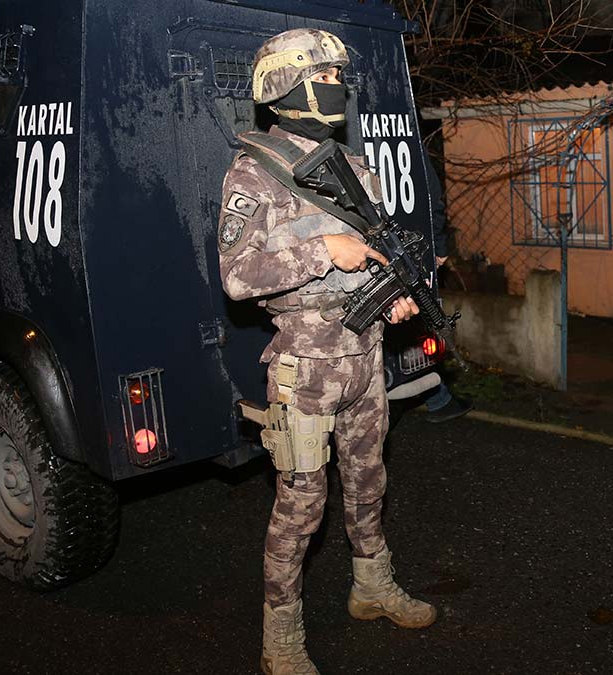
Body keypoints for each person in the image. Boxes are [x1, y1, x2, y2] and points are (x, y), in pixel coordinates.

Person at [217, 28, 436, 675]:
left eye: (341, 77)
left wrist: (392, 298)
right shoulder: (253, 172)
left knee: (369, 481)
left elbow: (368, 259)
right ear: (291, 85)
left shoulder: (356, 169)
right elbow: (236, 275)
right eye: (329, 76)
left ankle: (372, 585)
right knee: (301, 504)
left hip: (364, 354)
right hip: (305, 367)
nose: (339, 88)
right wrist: (322, 252)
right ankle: (280, 636)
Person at [419, 160, 473, 423]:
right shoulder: (405, 139)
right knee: (419, 324)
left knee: (418, 326)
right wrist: (439, 247)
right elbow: (432, 200)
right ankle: (438, 397)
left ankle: (437, 396)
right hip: (414, 253)